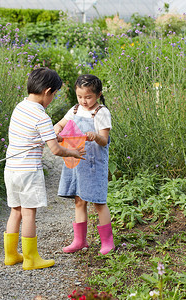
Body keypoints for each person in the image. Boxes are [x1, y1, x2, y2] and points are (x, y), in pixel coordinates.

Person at [3, 67, 86, 270]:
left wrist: (51, 135)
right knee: (29, 213)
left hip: (11, 169)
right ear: (48, 91)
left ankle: (11, 255)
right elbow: (56, 150)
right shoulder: (42, 116)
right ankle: (31, 259)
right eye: (55, 95)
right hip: (29, 172)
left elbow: (30, 134)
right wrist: (73, 153)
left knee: (15, 211)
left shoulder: (20, 107)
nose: (53, 99)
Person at [54, 74, 115, 255]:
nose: (84, 101)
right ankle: (80, 241)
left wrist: (95, 136)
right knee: (79, 200)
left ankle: (107, 242)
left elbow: (104, 140)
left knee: (98, 202)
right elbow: (59, 125)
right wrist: (57, 131)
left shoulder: (101, 112)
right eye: (80, 97)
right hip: (76, 162)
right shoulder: (74, 110)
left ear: (98, 95)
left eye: (88, 97)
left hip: (94, 164)